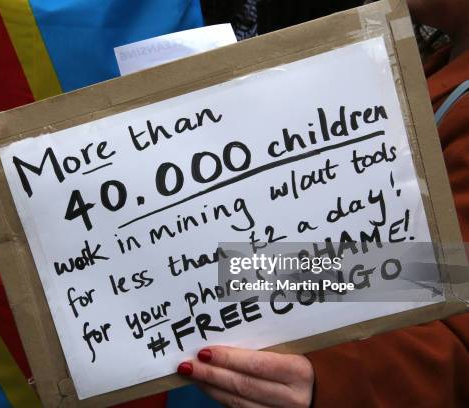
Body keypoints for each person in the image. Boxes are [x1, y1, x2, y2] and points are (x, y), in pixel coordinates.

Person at [176, 0, 469, 406]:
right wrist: (243, 270)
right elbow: (420, 265)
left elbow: (444, 290)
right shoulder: (433, 63)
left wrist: (333, 379)